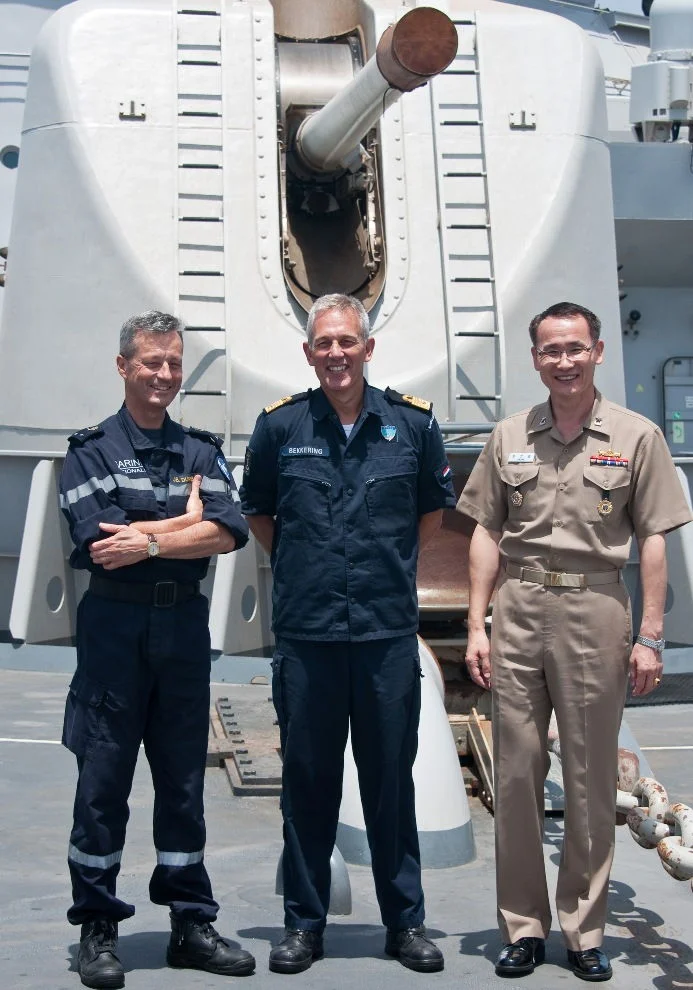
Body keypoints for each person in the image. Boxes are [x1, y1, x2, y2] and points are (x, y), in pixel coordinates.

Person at [457, 301, 692, 982]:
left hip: (595, 607)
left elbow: (651, 538)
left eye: (574, 348)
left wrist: (650, 635)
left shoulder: (635, 435)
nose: (562, 360)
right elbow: (482, 533)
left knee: (589, 781)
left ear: (595, 352)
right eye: (549, 350)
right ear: (535, 358)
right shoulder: (508, 437)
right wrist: (477, 624)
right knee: (520, 775)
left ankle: (582, 931)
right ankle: (523, 928)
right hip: (521, 606)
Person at [240, 293, 456, 975]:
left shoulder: (412, 426)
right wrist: (311, 569)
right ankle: (304, 925)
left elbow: (429, 516)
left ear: (367, 348)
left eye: (347, 341)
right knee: (308, 781)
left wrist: (382, 571)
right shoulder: (279, 428)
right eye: (323, 343)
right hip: (308, 636)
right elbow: (260, 514)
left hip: (385, 635)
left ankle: (405, 922)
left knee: (391, 782)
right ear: (309, 353)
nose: (336, 353)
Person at [59, 311, 255, 989]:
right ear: (123, 367)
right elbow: (95, 542)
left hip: (181, 634)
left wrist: (146, 537)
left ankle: (190, 922)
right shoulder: (87, 450)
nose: (164, 375)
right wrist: (184, 524)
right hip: (113, 632)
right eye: (151, 362)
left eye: (173, 363)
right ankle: (97, 925)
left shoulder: (199, 449)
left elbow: (230, 532)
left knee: (181, 783)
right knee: (102, 782)